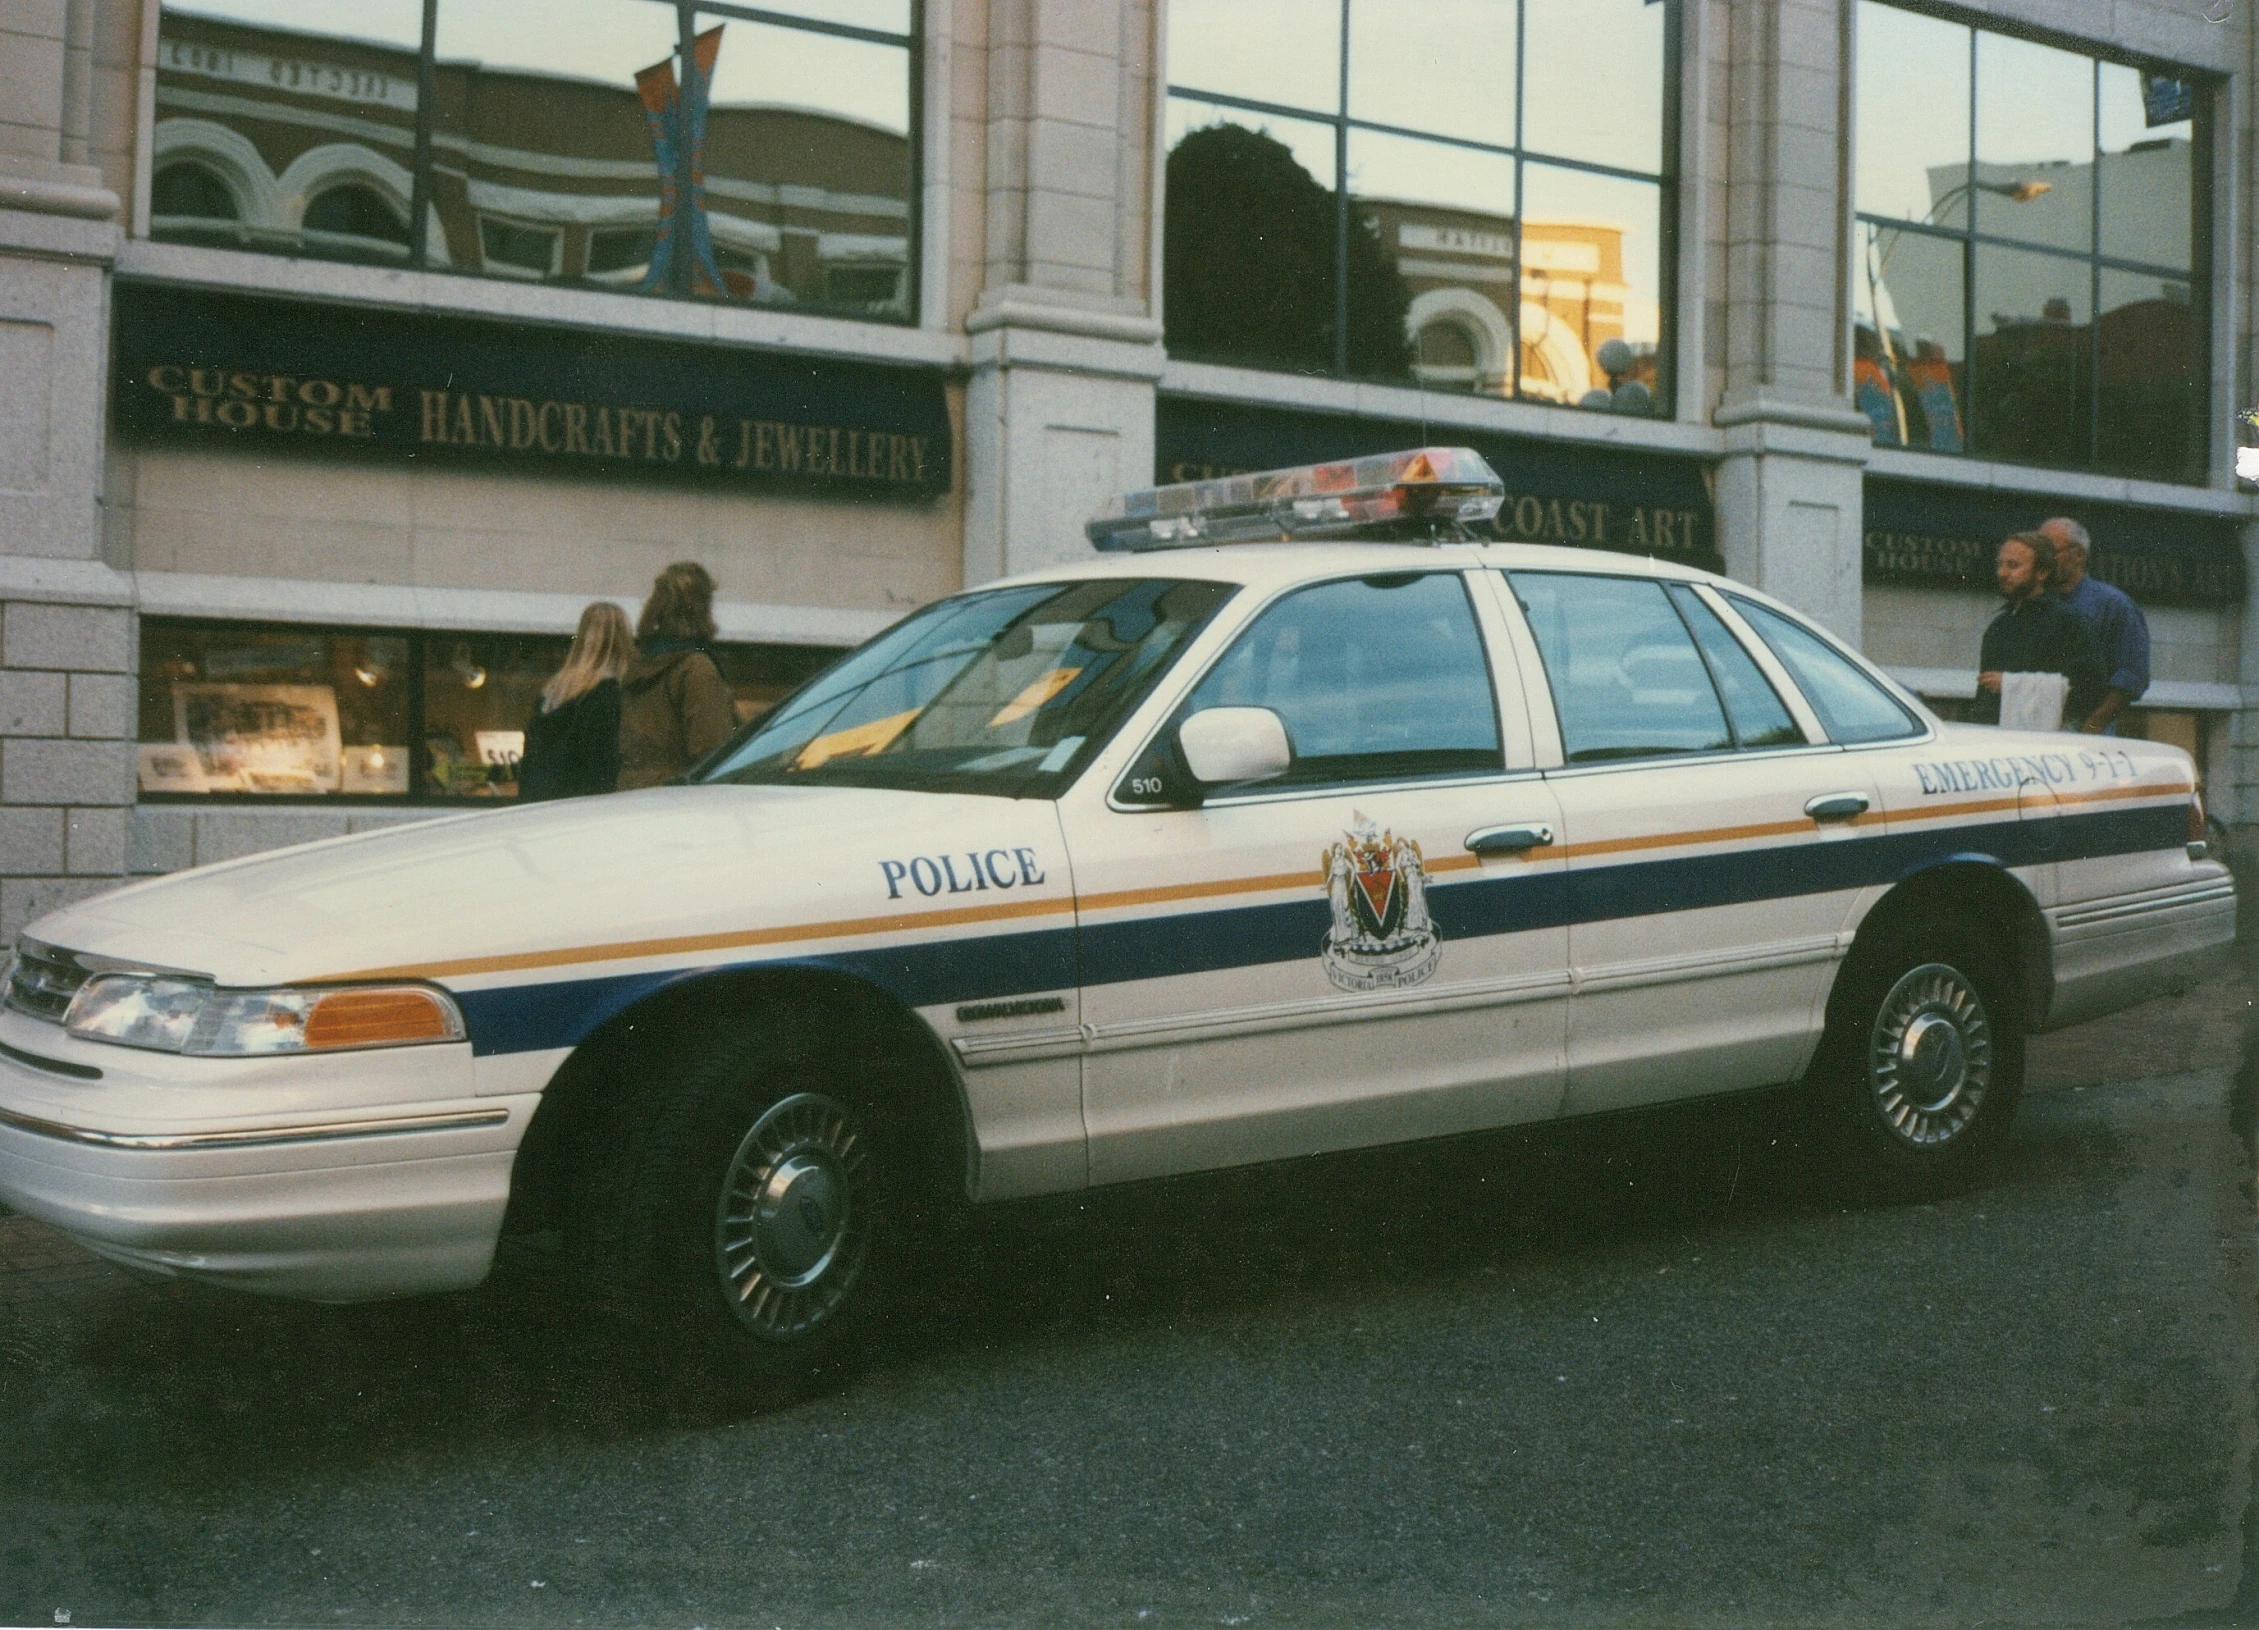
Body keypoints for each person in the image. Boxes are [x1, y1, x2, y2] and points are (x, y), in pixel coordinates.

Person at [619, 561, 738, 790]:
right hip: (678, 800)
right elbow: (711, 750)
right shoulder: (695, 669)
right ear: (703, 607)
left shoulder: (636, 666)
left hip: (631, 793)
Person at [1975, 530, 2106, 728]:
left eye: (2013, 565)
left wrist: (2011, 686)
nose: (2002, 573)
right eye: (2000, 565)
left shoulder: (2068, 623)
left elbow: (2090, 691)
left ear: (2042, 573)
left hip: (2047, 745)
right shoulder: (1999, 626)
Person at [2037, 516, 2151, 734]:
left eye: (2050, 551)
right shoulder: (2039, 603)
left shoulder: (2113, 605)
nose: (2042, 560)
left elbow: (2132, 676)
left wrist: (2093, 724)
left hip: (2086, 732)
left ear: (2078, 555)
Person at [519, 601, 631, 799]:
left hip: (539, 802)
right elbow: (599, 766)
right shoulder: (608, 694)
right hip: (581, 807)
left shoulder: (553, 690)